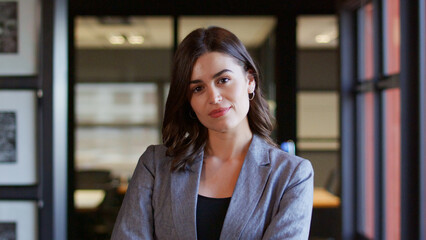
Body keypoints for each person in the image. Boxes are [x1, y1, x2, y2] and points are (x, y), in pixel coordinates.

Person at [111, 26, 313, 240]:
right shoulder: (155, 165)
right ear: (189, 101)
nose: (214, 97)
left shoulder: (292, 174)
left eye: (223, 80)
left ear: (249, 81)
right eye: (198, 88)